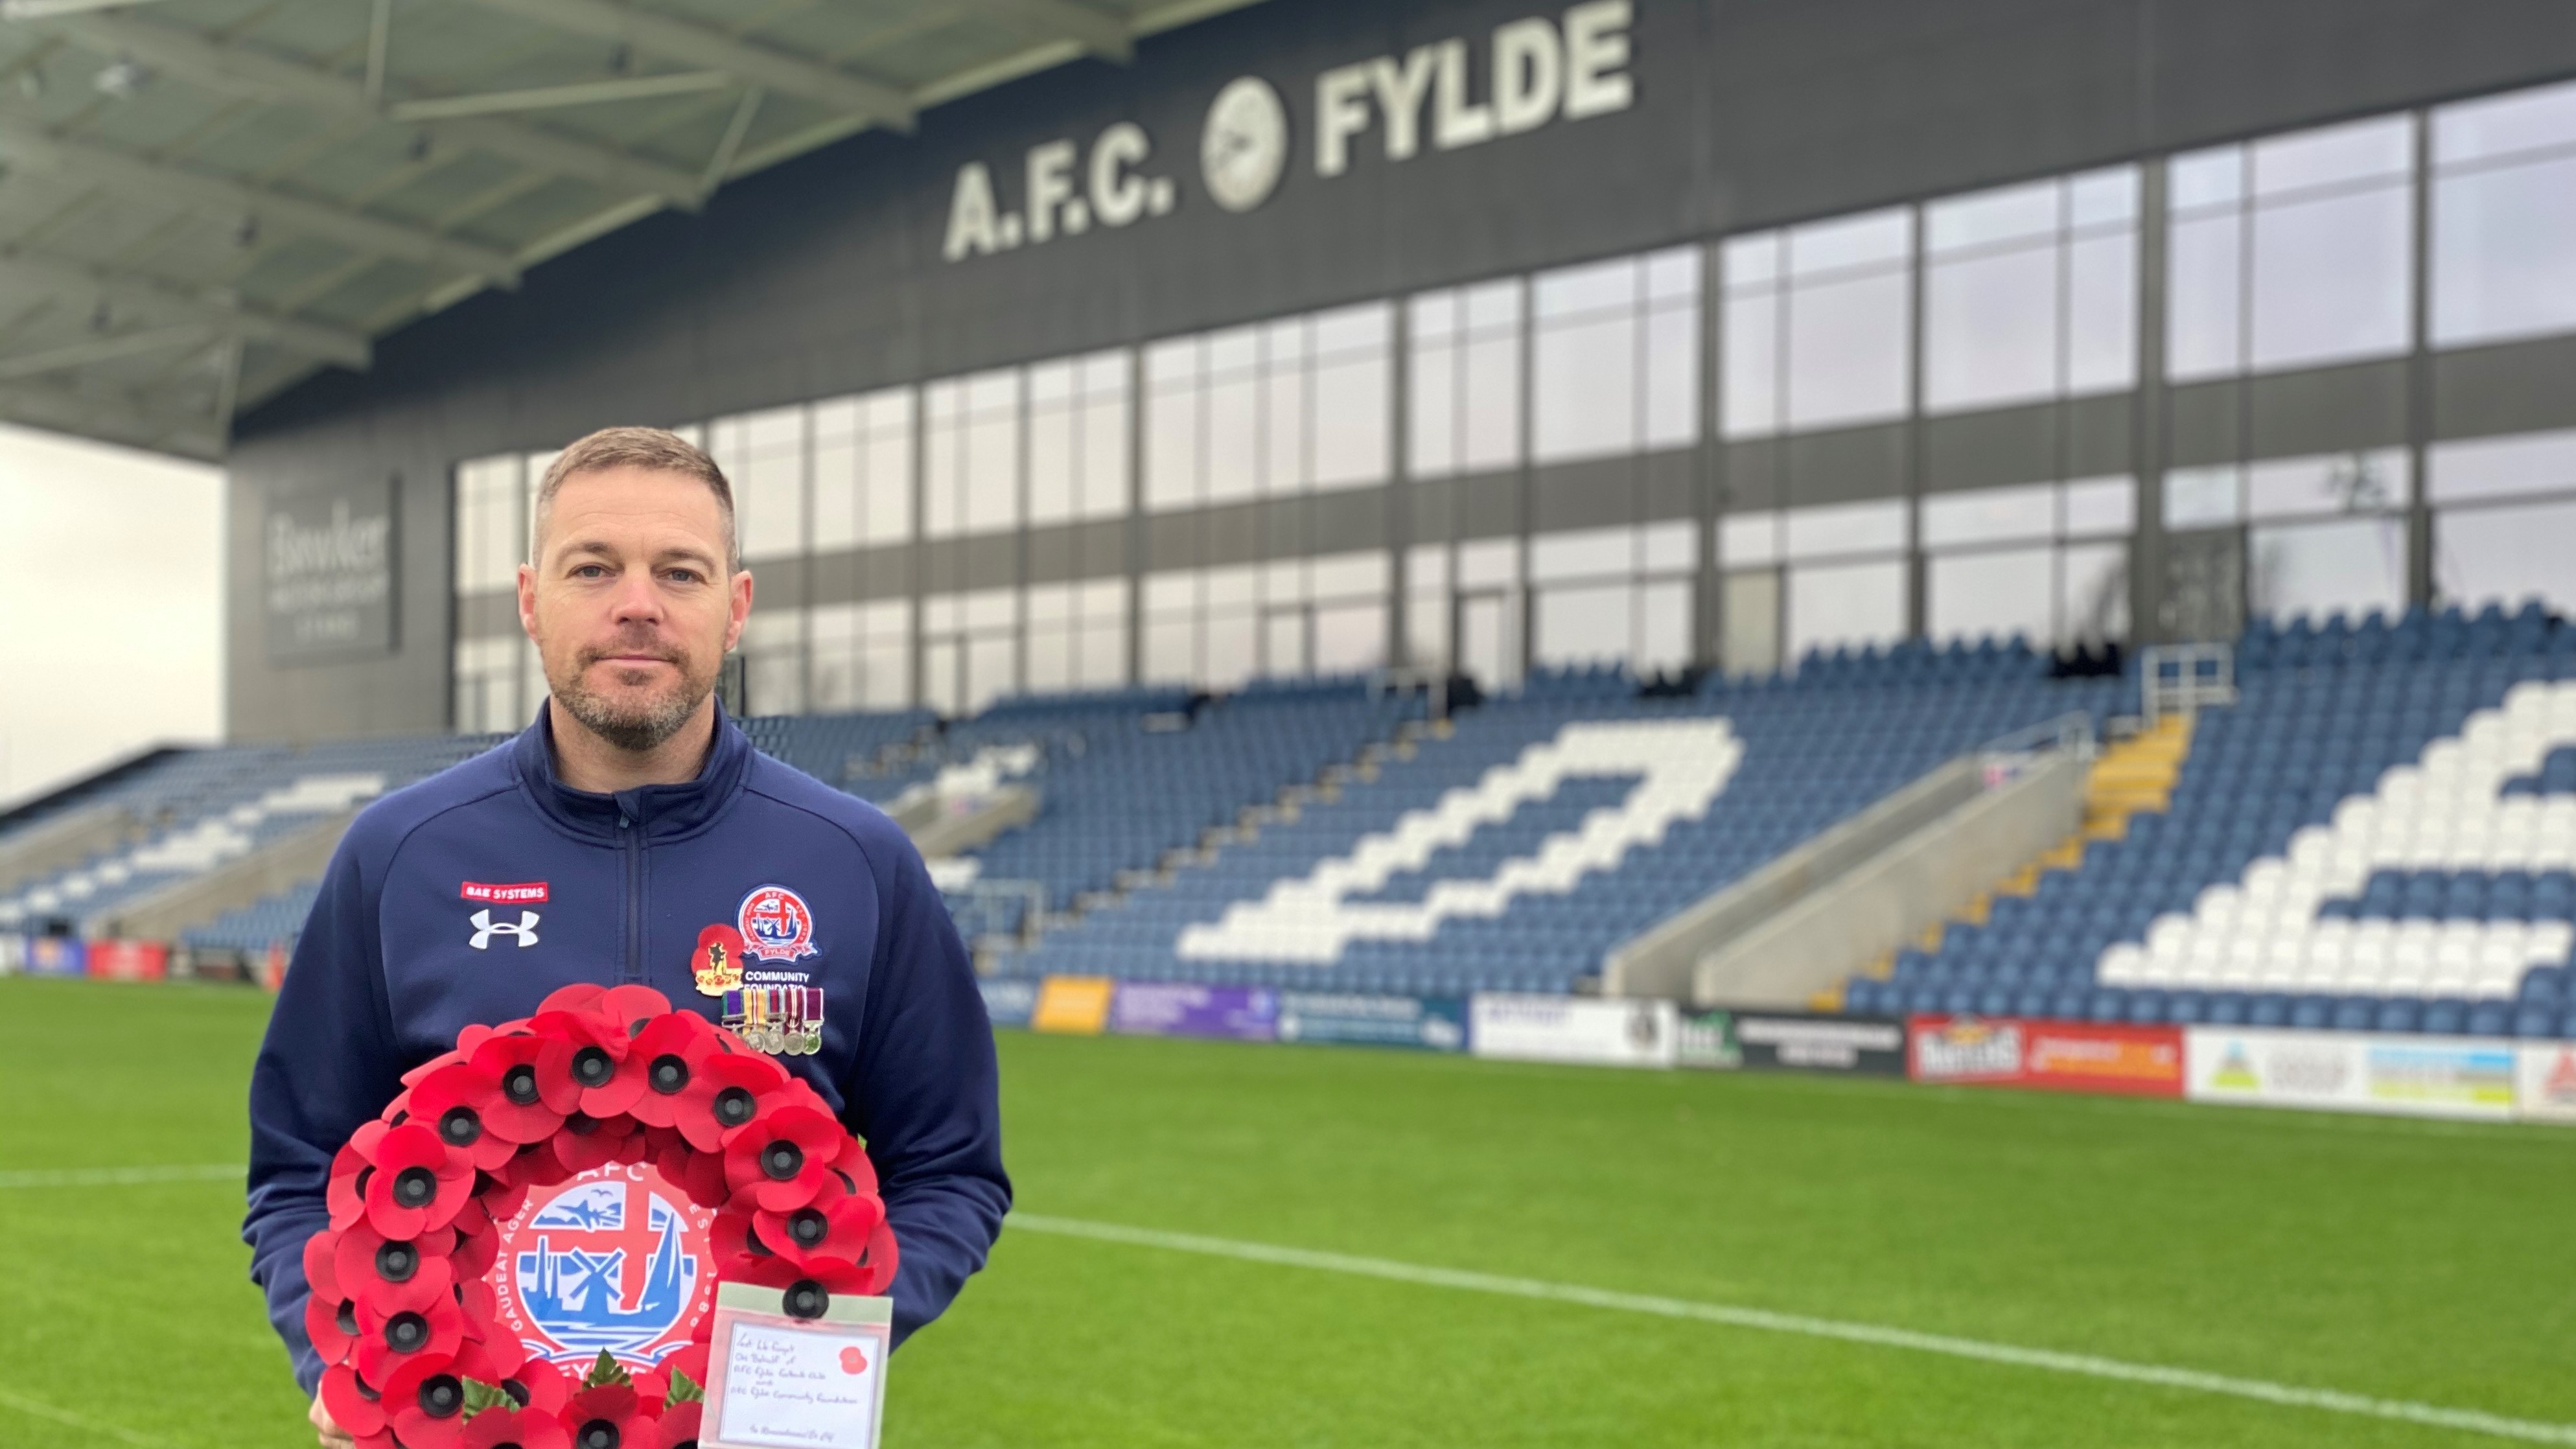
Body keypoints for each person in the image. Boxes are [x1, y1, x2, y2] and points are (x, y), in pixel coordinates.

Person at [242, 427, 1010, 1448]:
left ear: (734, 608)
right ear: (530, 600)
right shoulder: (399, 854)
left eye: (678, 571)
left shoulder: (859, 862)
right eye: (592, 567)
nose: (636, 603)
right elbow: (299, 1165)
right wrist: (353, 1349)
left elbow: (950, 1170)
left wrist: (814, 1340)